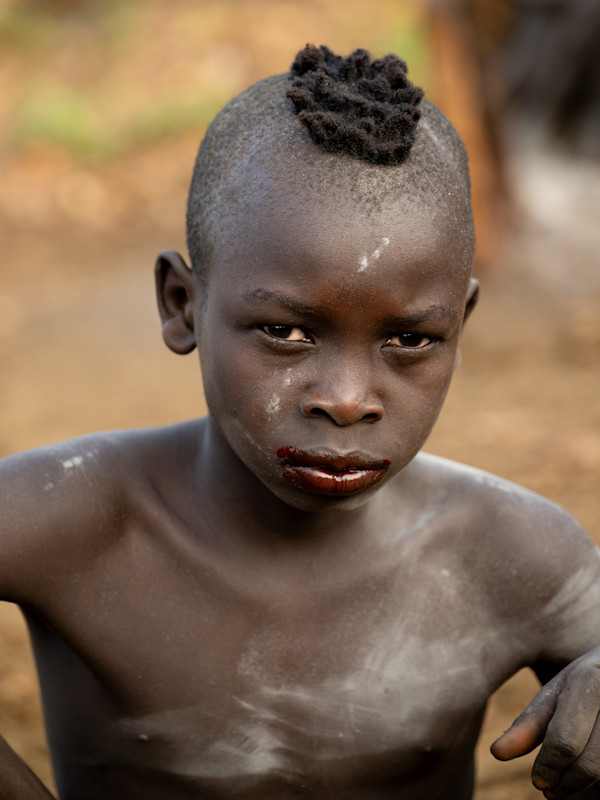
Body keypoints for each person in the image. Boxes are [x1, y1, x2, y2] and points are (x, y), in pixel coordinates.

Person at [1, 44, 599, 800]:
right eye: (287, 333)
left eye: (410, 340)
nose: (347, 400)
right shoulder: (77, 519)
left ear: (462, 325)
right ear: (184, 305)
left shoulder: (513, 554)